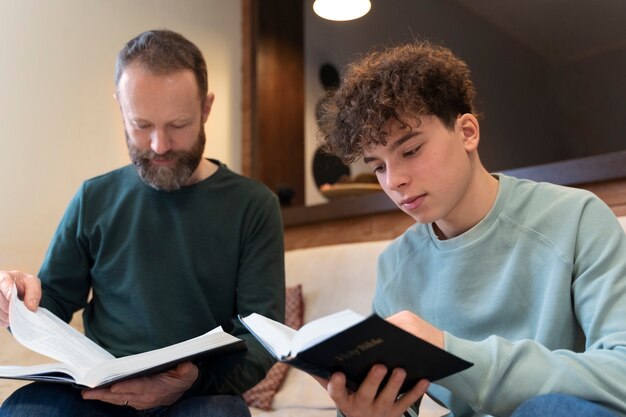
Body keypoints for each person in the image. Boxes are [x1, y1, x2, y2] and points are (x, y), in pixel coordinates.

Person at [316, 40, 626, 417]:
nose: (394, 180)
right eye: (378, 166)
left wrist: (446, 351)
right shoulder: (396, 265)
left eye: (410, 150)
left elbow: (620, 374)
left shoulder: (575, 218)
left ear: (466, 132)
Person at [0, 29, 285, 417]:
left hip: (195, 395)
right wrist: (15, 302)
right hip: (99, 393)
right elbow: (51, 304)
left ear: (205, 108)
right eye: (141, 125)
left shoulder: (253, 205)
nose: (159, 146)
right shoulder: (93, 198)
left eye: (178, 124)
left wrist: (190, 383)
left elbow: (263, 339)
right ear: (120, 107)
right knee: (25, 409)